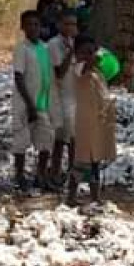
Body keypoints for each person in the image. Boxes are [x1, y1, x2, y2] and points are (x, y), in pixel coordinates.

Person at [67, 34, 117, 205]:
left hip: (96, 122)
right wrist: (89, 62)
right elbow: (81, 70)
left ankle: (95, 196)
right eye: (85, 53)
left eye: (92, 52)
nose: (90, 56)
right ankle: (71, 195)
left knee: (95, 160)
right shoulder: (77, 70)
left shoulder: (96, 73)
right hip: (83, 123)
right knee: (81, 160)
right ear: (77, 54)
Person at [12, 10, 58, 191]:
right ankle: (19, 175)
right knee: (21, 140)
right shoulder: (22, 49)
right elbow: (19, 76)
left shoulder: (44, 48)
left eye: (36, 24)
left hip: (43, 103)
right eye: (29, 24)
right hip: (25, 103)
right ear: (22, 27)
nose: (33, 28)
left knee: (46, 139)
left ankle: (41, 175)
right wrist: (29, 104)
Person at [47, 11, 80, 182]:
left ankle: (71, 171)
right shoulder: (53, 45)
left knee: (74, 138)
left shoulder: (75, 43)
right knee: (61, 139)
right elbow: (59, 72)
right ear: (59, 25)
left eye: (74, 24)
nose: (71, 28)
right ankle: (55, 172)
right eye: (67, 24)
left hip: (74, 96)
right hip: (60, 97)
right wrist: (71, 52)